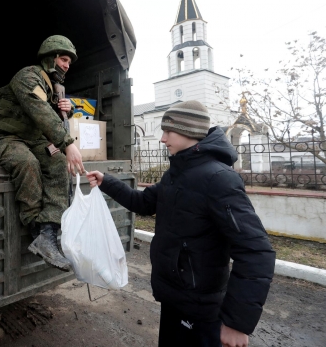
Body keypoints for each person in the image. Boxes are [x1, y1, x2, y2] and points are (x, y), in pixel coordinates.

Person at [86, 100, 275, 347]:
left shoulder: (219, 179)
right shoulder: (176, 174)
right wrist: (107, 181)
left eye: (168, 131)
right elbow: (142, 202)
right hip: (174, 297)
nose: (163, 139)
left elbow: (256, 252)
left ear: (189, 131)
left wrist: (236, 323)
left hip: (201, 308)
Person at [0, 35, 85, 271]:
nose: (67, 65)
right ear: (49, 58)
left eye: (69, 62)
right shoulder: (27, 77)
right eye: (63, 59)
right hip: (4, 137)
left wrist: (66, 112)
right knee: (27, 163)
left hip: (32, 139)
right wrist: (68, 143)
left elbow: (52, 119)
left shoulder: (52, 87)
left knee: (59, 163)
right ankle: (35, 228)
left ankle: (48, 231)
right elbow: (39, 111)